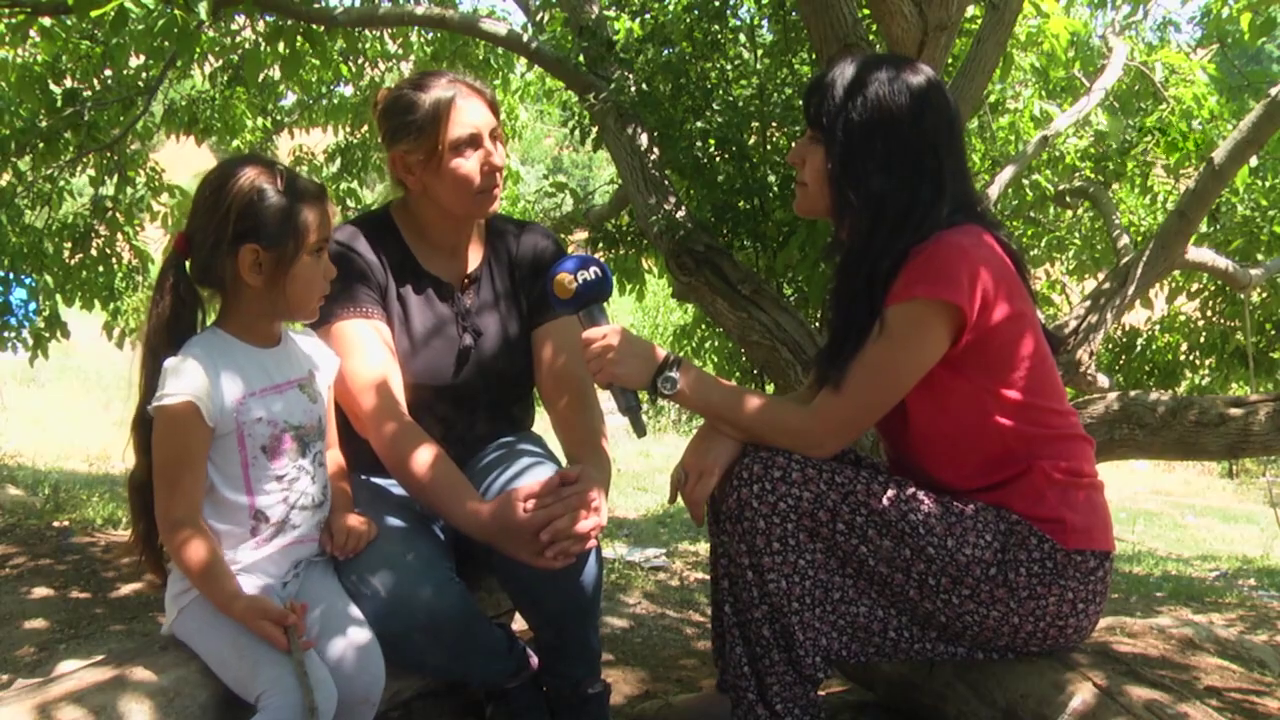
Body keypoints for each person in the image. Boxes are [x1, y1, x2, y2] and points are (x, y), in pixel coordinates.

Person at [573, 53, 1116, 720]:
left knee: (769, 483)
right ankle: (753, 696)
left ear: (871, 157)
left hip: (1040, 567)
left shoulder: (953, 262)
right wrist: (726, 428)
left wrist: (667, 373)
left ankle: (763, 705)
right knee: (760, 470)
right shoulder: (897, 263)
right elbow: (814, 397)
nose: (795, 155)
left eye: (815, 138)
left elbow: (822, 432)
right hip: (978, 543)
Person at [308, 69, 613, 720]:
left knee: (569, 552)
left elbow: (568, 389)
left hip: (499, 455)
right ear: (409, 167)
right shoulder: (356, 256)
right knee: (407, 601)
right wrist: (481, 518)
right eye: (467, 146)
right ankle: (512, 680)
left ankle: (580, 694)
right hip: (381, 478)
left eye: (497, 137)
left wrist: (593, 477)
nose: (495, 158)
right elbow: (382, 417)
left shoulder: (531, 251)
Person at [124, 154, 386, 720]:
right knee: (303, 699)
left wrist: (342, 509)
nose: (333, 271)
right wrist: (239, 605)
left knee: (364, 679)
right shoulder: (197, 377)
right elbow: (179, 522)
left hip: (305, 572)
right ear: (256, 264)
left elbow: (330, 454)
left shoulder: (313, 357)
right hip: (219, 590)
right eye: (318, 252)